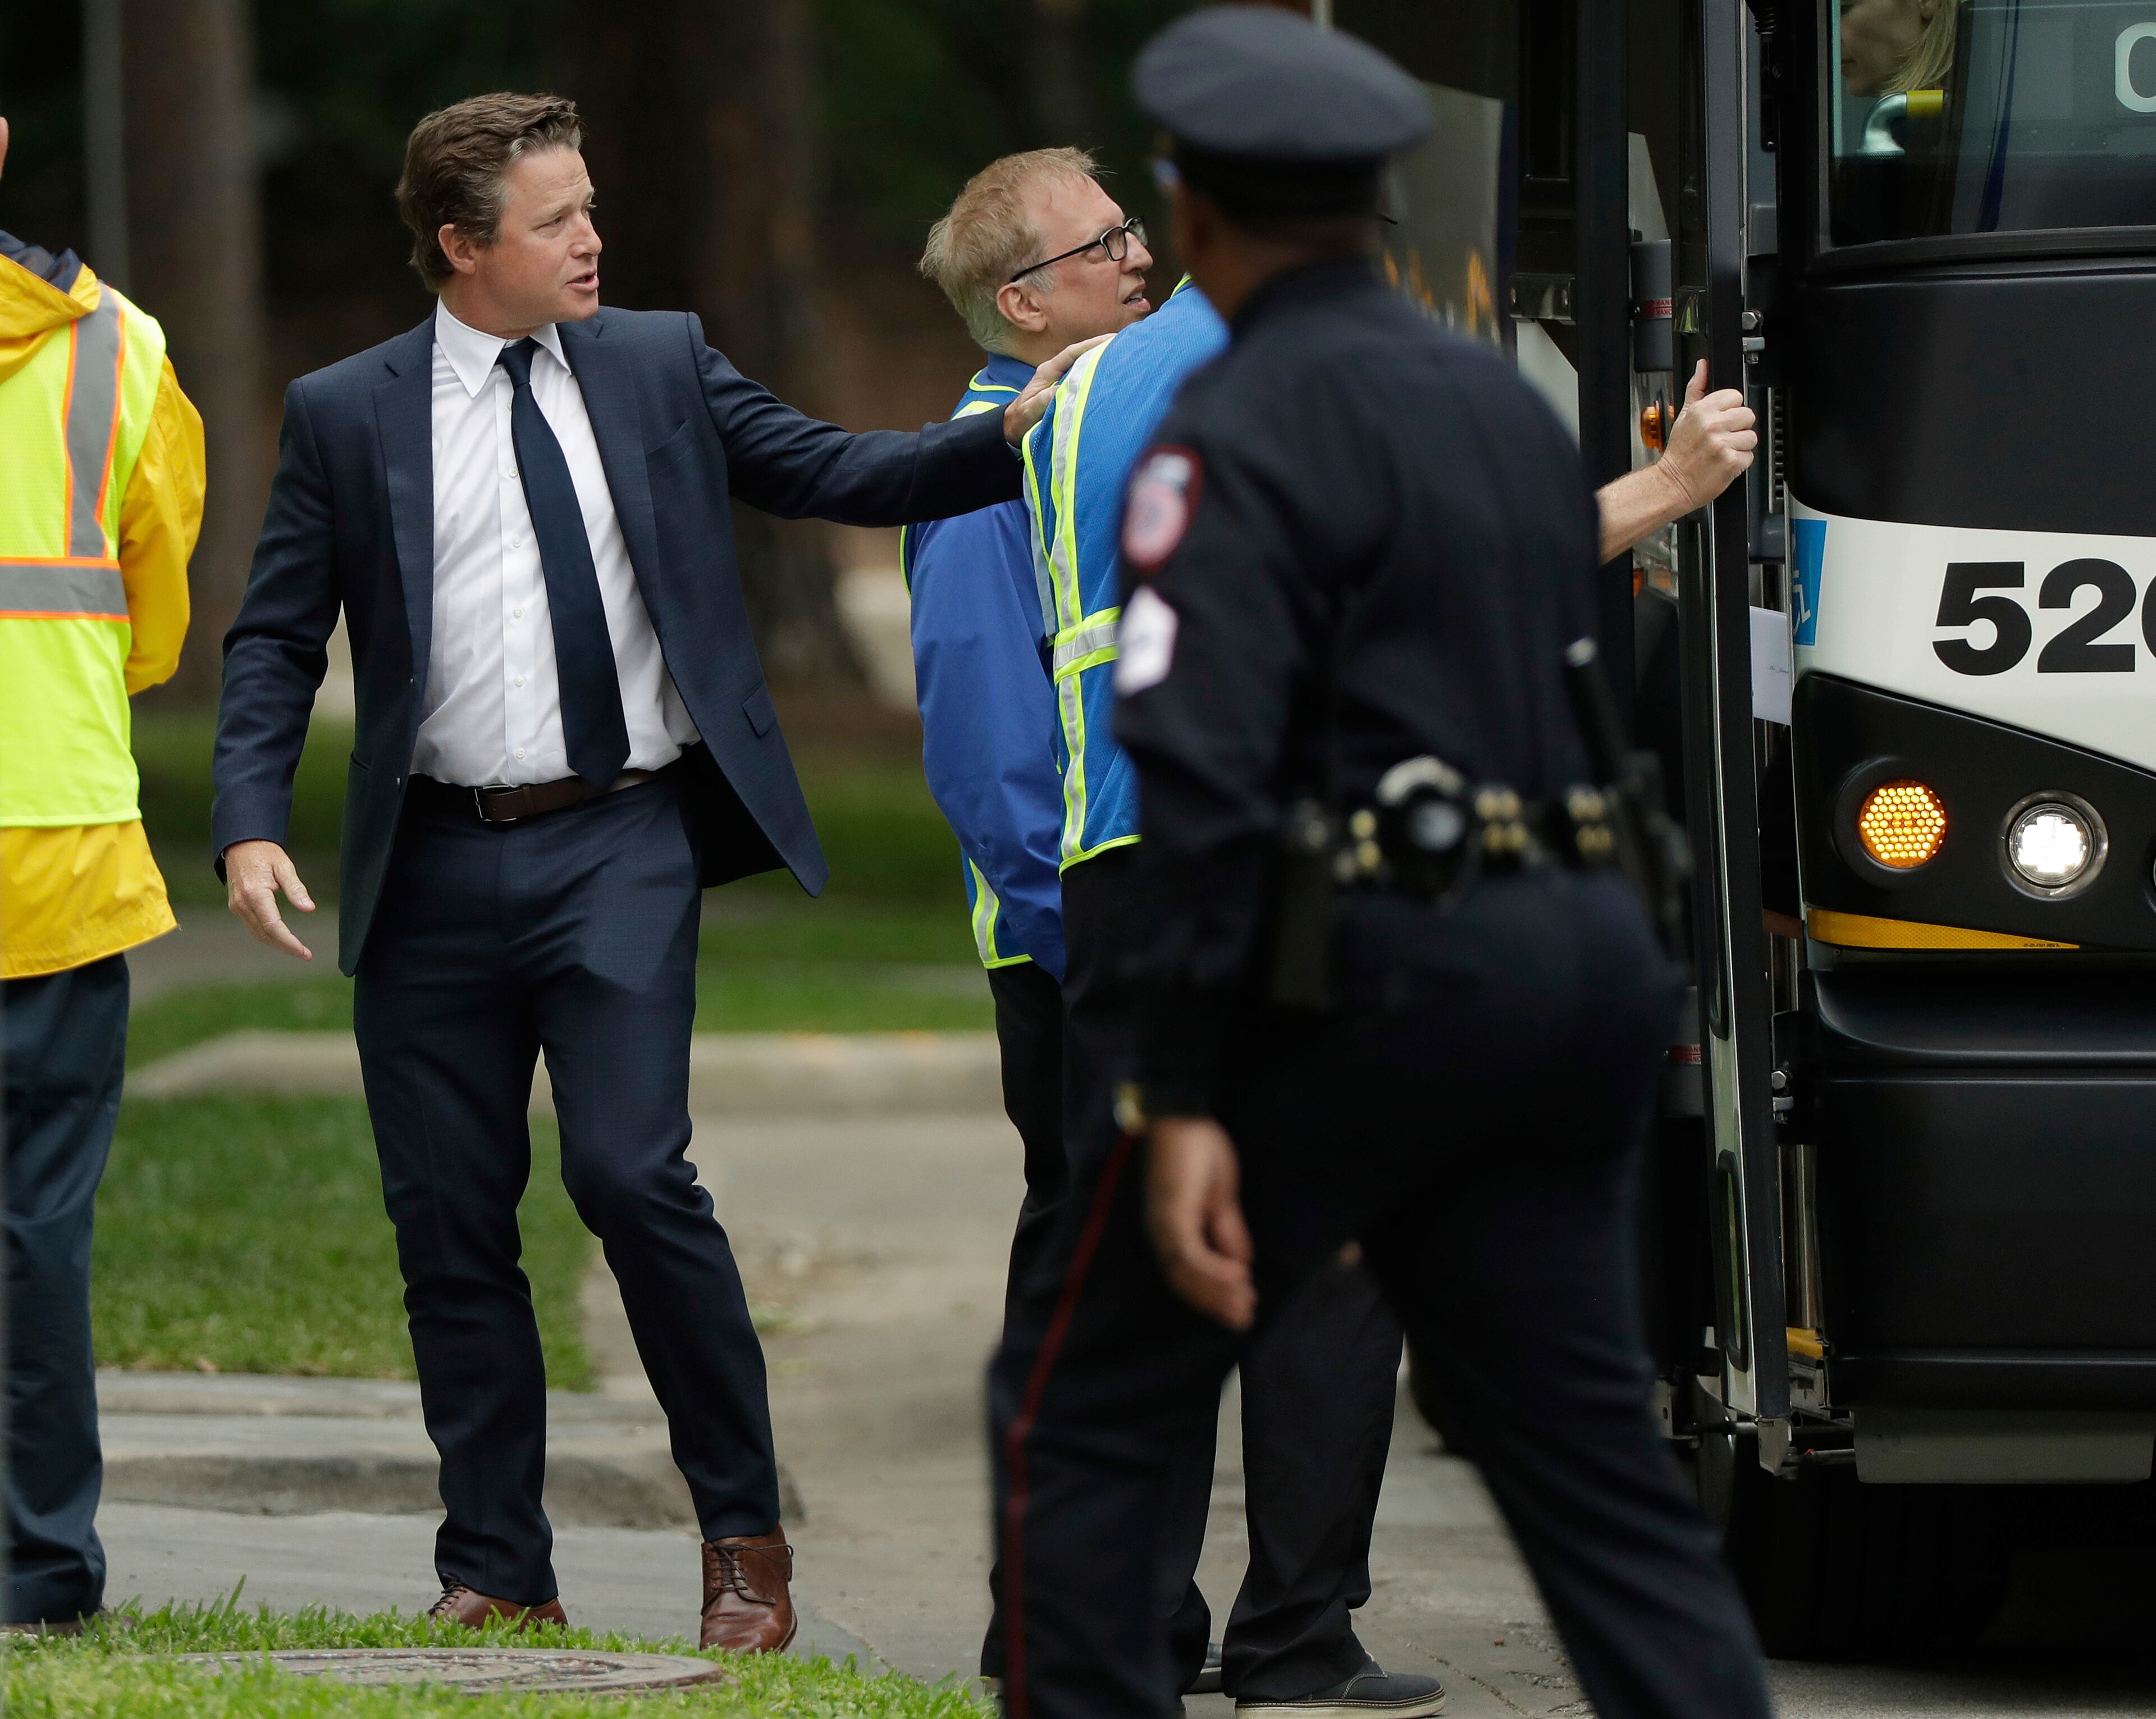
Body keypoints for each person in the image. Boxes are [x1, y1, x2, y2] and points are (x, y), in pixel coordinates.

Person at [985, 12, 1778, 1719]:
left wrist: (1185, 1092)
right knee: (1591, 1471)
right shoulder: (1487, 402)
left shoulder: (1206, 421)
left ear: (1195, 212)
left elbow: (1206, 760)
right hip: (1555, 962)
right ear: (1375, 211)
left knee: (1087, 1411)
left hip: (1328, 956)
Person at [212, 92, 1084, 1643]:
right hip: (428, 864)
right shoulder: (348, 410)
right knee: (450, 1219)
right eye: (556, 220)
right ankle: (498, 1567)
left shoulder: (658, 360)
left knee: (630, 1174)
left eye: (592, 207)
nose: (591, 239)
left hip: (618, 839)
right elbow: (278, 633)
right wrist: (249, 818)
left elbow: (828, 471)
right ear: (462, 245)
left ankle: (743, 1542)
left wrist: (1004, 435)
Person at [912, 151, 1422, 1715]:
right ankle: (1140, 1620)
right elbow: (996, 747)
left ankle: (1151, 1619)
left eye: (1135, 231)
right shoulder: (992, 465)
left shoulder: (1107, 416)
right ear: (1023, 299)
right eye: (1104, 243)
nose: (1135, 260)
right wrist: (1100, 951)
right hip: (1076, 944)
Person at [0, 111, 203, 1634]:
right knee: (35, 1229)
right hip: (55, 840)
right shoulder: (118, 350)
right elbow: (156, 620)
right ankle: (37, 1568)